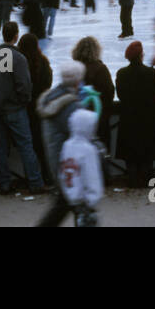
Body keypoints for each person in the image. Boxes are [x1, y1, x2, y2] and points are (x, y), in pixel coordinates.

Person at [0, 22, 47, 193]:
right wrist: (22, 101)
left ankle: (4, 183)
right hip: (15, 110)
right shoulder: (18, 58)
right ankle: (35, 182)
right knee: (26, 145)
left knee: (1, 149)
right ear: (16, 36)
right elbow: (24, 85)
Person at [35, 62, 93, 225]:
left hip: (57, 159)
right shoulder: (69, 106)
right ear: (77, 81)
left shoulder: (52, 98)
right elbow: (82, 132)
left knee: (65, 205)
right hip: (70, 164)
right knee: (73, 205)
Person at [113, 41, 155, 188]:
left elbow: (120, 94)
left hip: (128, 117)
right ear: (141, 55)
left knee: (130, 150)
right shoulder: (151, 73)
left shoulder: (121, 73)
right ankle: (148, 177)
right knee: (147, 149)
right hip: (148, 117)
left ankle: (132, 178)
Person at [18, 33, 54, 186]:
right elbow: (48, 84)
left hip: (24, 108)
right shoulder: (43, 62)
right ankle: (47, 175)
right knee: (42, 145)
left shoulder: (19, 62)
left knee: (28, 145)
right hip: (40, 108)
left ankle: (31, 177)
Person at [59, 108, 105, 227]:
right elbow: (92, 176)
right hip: (86, 200)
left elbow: (63, 171)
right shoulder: (88, 149)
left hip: (72, 195)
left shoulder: (67, 145)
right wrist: (93, 196)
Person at [71, 36, 116, 145]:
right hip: (98, 121)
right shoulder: (100, 69)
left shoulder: (72, 69)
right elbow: (109, 93)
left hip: (77, 121)